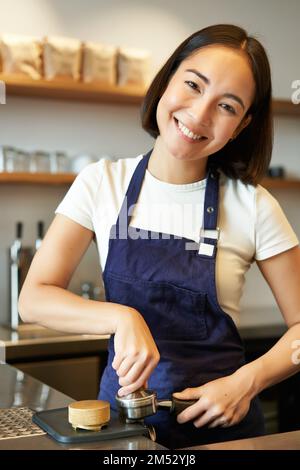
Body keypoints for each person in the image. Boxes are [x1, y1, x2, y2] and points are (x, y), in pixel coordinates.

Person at [19, 24, 300, 449]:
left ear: (241, 125)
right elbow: (34, 298)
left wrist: (247, 381)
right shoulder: (101, 182)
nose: (199, 114)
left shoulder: (253, 205)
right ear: (167, 79)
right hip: (121, 433)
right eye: (192, 84)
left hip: (224, 436)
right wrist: (121, 317)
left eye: (226, 106)